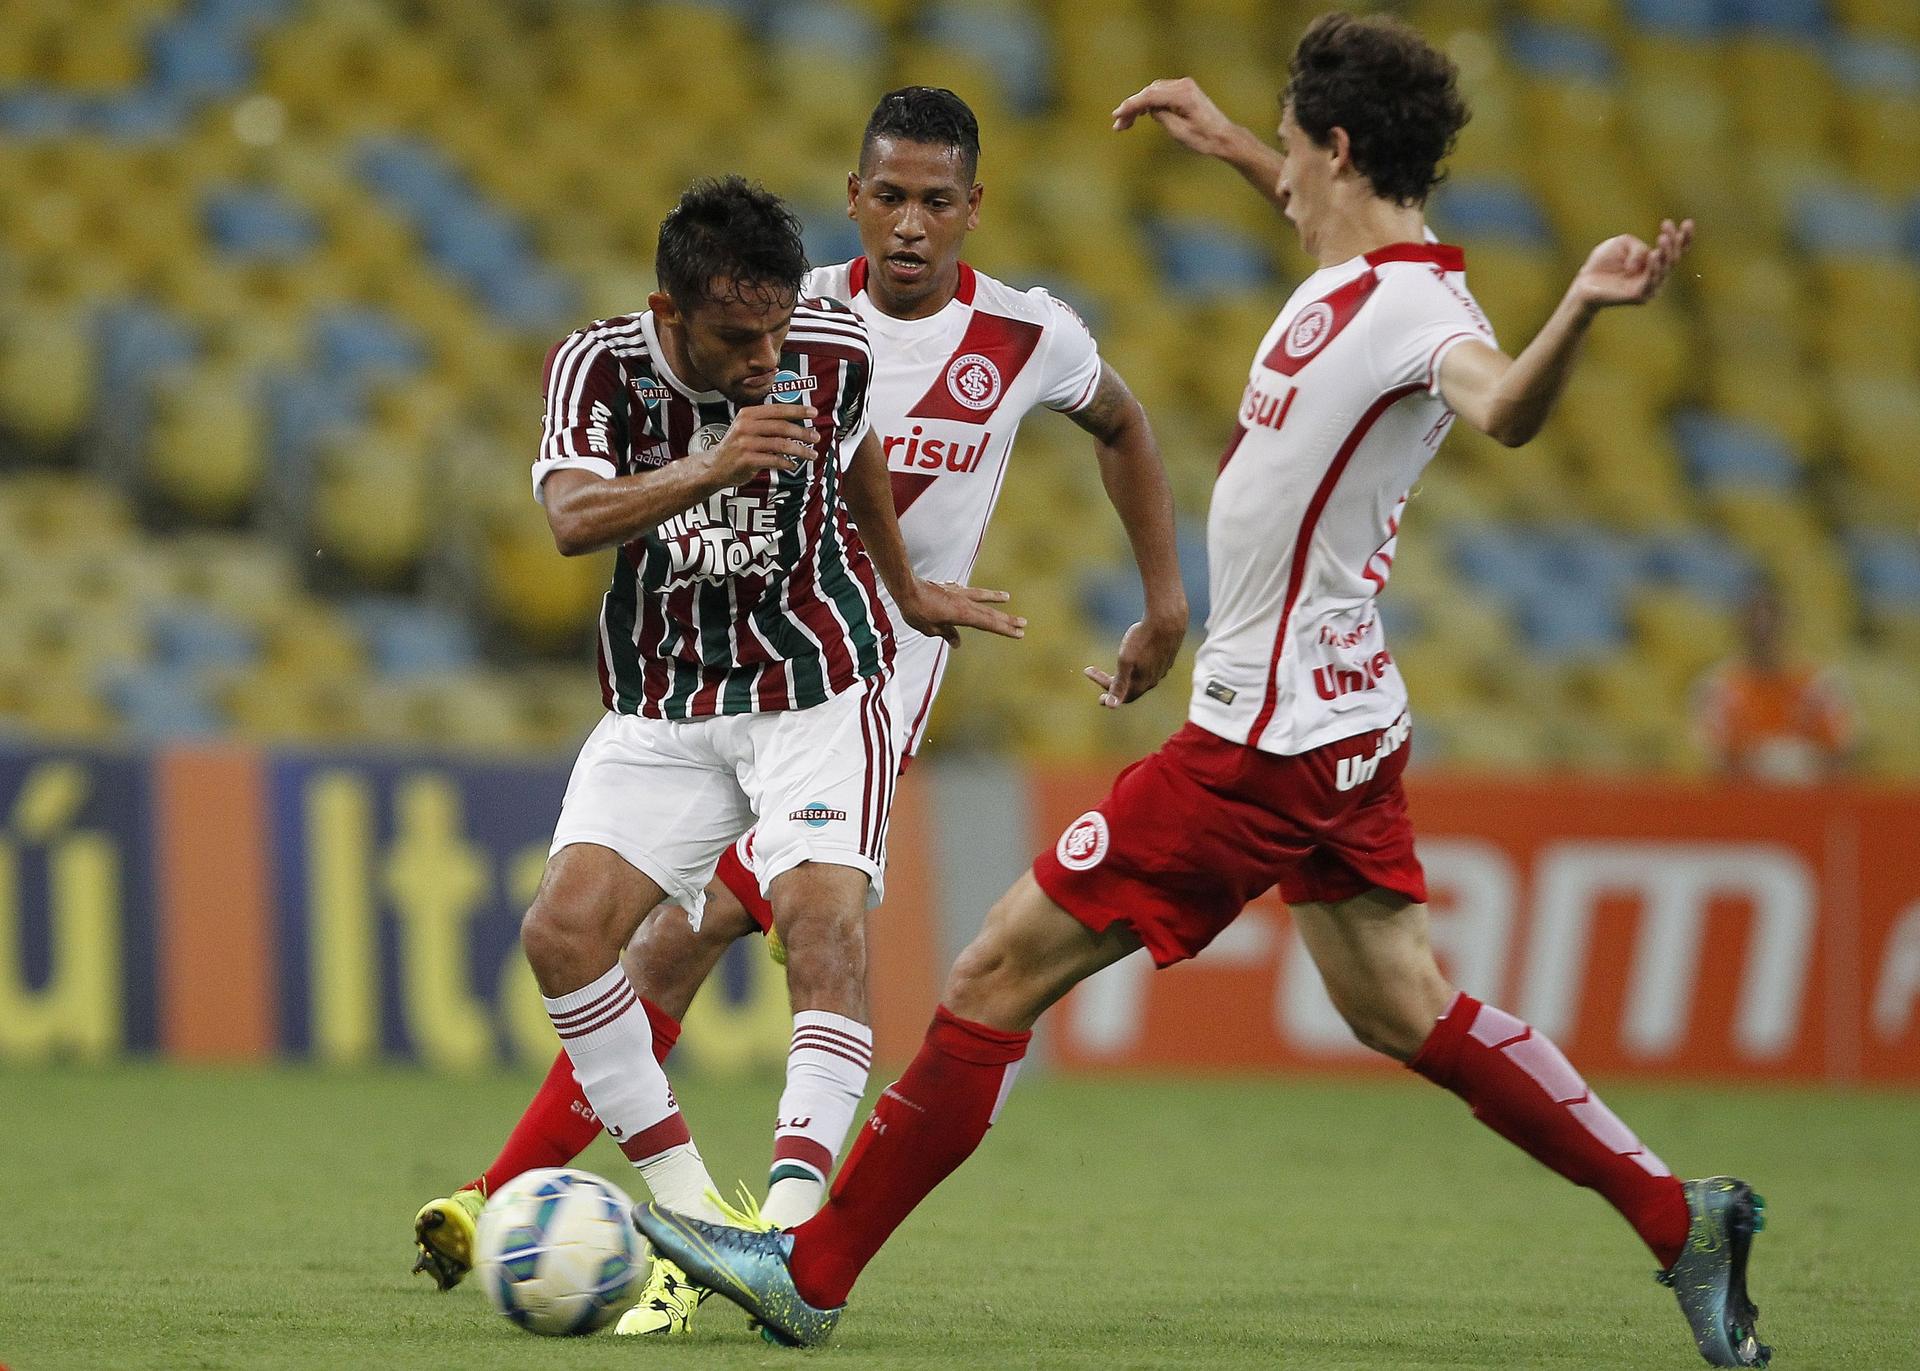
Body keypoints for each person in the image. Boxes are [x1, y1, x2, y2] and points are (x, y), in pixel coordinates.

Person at [636, 16, 1768, 1370]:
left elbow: (1506, 405)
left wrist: (1580, 302)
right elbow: (1319, 216)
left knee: (995, 970)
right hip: (1347, 720)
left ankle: (814, 1269)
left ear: (1338, 149)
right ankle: (1678, 1216)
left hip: (1260, 742)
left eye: (1291, 148)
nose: (1280, 173)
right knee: (1400, 1002)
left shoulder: (1418, 310)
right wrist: (1232, 140)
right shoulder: (1361, 261)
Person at [412, 90, 1190, 1335]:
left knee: (756, 933)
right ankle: (658, 1220)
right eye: (889, 196)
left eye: (937, 201)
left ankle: (682, 1229)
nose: (912, 225)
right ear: (853, 199)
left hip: (862, 678)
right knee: (652, 940)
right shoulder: (793, 302)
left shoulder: (1022, 334)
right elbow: (599, 501)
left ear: (972, 209)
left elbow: (1121, 426)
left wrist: (1158, 602)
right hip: (705, 682)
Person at [434, 172, 1025, 1313]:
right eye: (734, 338)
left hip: (815, 686)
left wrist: (908, 592)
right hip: (663, 705)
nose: (765, 359)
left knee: (821, 923)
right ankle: (699, 1212)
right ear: (669, 311)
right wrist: (712, 464)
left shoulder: (827, 348)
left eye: (772, 331)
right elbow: (566, 518)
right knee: (561, 935)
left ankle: (792, 1237)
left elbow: (855, 459)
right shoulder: (597, 367)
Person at [1695, 576, 1851, 782]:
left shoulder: (1818, 685)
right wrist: (1759, 765)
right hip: (1742, 805)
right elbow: (1710, 763)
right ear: (1739, 623)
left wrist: (1801, 765)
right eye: (1754, 615)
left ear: (1787, 621)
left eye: (1771, 613)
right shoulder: (1719, 688)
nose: (1763, 624)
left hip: (1810, 802)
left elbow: (1843, 754)